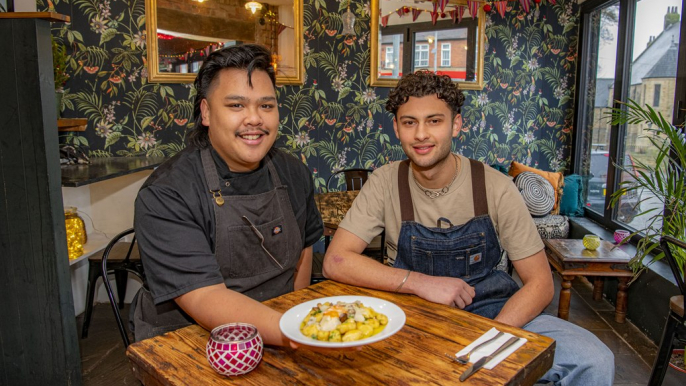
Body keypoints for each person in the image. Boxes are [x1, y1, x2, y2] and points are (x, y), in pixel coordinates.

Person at [322, 70, 614, 384]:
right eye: (409, 122)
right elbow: (336, 261)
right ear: (396, 128)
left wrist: (491, 341)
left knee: (593, 360)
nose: (421, 134)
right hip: (411, 317)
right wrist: (420, 282)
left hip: (493, 313)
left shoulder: (497, 187)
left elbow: (541, 285)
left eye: (434, 121)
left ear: (456, 124)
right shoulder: (385, 182)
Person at [131, 44, 323, 346]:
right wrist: (300, 333)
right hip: (188, 339)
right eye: (236, 106)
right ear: (206, 112)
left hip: (279, 329)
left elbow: (303, 252)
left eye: (266, 106)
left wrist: (293, 318)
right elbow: (206, 296)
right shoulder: (167, 193)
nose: (254, 119)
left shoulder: (293, 172)